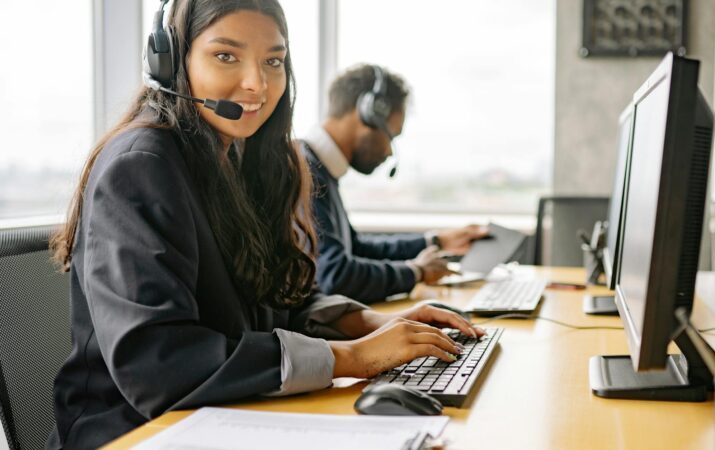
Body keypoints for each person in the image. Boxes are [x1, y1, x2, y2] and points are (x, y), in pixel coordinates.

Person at [47, 1, 481, 448]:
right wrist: (349, 358)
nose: (257, 83)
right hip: (133, 433)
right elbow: (157, 365)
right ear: (172, 61)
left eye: (273, 61)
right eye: (226, 56)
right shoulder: (141, 165)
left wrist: (369, 324)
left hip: (225, 417)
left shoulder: (242, 158)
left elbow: (279, 300)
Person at [301, 64, 489, 303]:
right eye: (391, 135)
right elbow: (335, 276)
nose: (389, 151)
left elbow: (355, 248)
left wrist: (436, 241)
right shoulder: (305, 171)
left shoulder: (321, 169)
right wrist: (416, 271)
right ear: (368, 113)